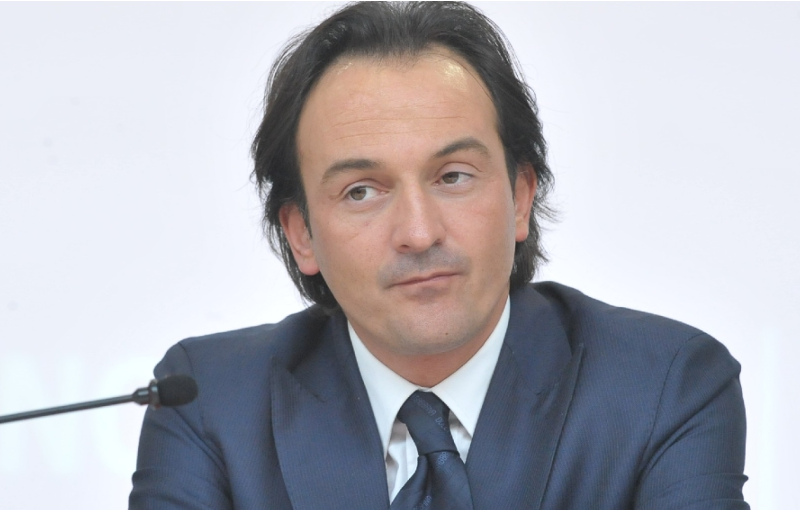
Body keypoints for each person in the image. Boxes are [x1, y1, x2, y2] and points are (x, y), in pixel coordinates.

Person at [129, 2, 749, 509]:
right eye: (361, 191)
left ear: (520, 199)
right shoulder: (210, 403)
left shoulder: (662, 386)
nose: (419, 233)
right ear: (301, 234)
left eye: (453, 176)